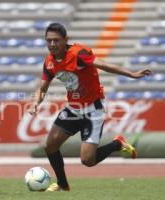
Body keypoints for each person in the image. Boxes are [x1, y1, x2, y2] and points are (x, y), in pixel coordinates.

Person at [29, 22, 152, 191]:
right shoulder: (49, 62)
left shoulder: (79, 53)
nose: (52, 44)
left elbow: (102, 64)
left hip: (92, 111)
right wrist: (35, 103)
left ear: (66, 40)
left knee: (87, 161)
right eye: (48, 41)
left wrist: (130, 74)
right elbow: (42, 88)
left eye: (56, 40)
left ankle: (117, 144)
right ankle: (62, 184)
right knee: (50, 146)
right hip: (72, 109)